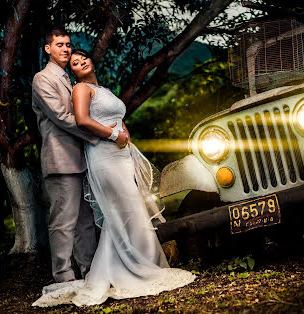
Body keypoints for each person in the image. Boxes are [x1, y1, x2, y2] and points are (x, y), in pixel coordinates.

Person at [32, 49, 195, 307]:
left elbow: (119, 119)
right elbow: (83, 121)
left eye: (83, 58)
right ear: (72, 71)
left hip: (120, 155)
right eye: (74, 62)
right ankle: (132, 267)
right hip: (103, 155)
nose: (81, 62)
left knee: (131, 208)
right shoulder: (80, 90)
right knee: (124, 210)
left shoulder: (104, 89)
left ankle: (144, 262)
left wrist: (128, 146)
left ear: (92, 61)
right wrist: (112, 136)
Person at [32, 28, 117, 283]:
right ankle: (63, 277)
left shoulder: (69, 78)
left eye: (68, 44)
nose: (66, 49)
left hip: (81, 159)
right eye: (59, 45)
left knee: (85, 222)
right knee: (63, 222)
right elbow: (61, 117)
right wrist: (98, 134)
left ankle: (90, 271)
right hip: (60, 161)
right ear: (48, 49)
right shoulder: (42, 78)